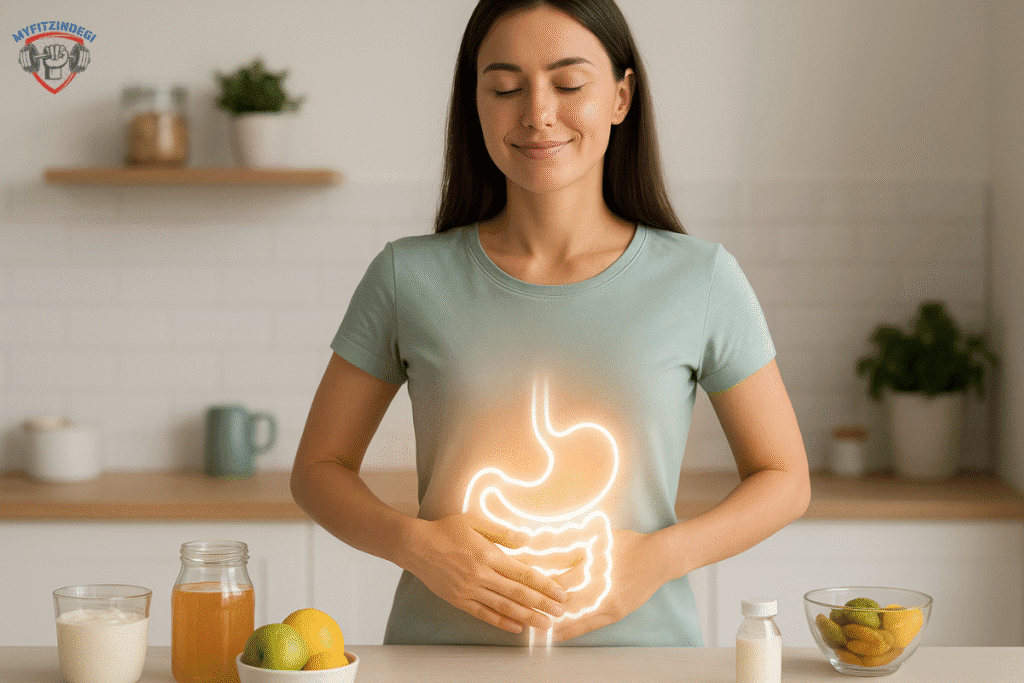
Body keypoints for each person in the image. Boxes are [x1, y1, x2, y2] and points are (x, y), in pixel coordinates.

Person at [291, 0, 810, 647]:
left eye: (568, 83)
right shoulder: (407, 276)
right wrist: (417, 544)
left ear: (621, 96)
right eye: (505, 87)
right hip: (443, 658)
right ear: (474, 101)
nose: (537, 113)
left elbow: (785, 479)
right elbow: (317, 466)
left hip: (642, 658)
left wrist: (656, 558)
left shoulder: (701, 278)